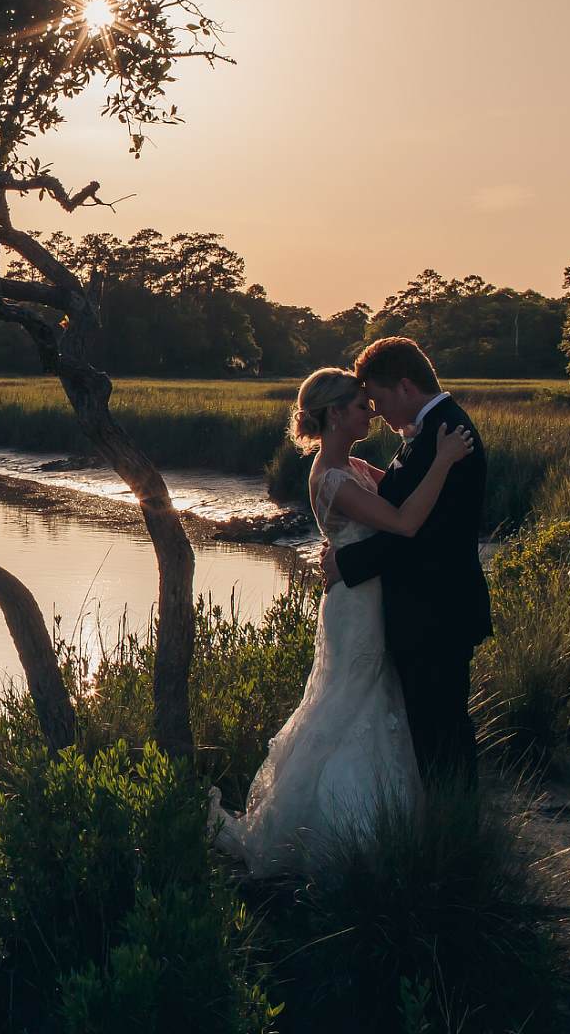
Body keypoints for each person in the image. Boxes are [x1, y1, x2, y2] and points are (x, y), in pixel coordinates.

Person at [210, 363, 475, 875]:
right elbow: (403, 521)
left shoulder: (354, 467)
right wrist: (442, 459)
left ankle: (384, 824)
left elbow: (398, 492)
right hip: (356, 608)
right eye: (360, 406)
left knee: (375, 701)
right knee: (350, 702)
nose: (370, 412)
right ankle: (337, 832)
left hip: (370, 598)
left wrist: (417, 438)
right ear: (334, 414)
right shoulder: (331, 478)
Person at [322, 336, 492, 786]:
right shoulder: (427, 431)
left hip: (438, 609)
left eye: (375, 399)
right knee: (432, 727)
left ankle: (455, 831)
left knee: (443, 731)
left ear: (403, 386)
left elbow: (422, 534)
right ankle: (447, 822)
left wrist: (349, 561)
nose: (376, 411)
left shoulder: (448, 434)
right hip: (423, 610)